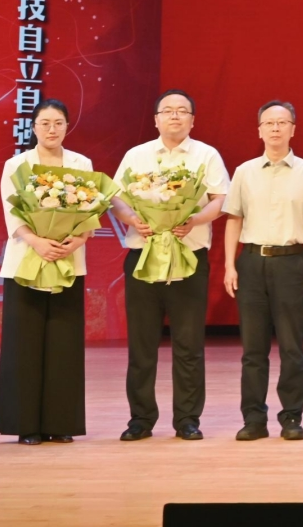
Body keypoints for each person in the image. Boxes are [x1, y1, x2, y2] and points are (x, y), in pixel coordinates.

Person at [112, 89, 230, 441]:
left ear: (192, 120)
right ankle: (140, 419)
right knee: (142, 345)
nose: (175, 116)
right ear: (156, 119)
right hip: (143, 256)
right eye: (167, 110)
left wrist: (194, 219)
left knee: (189, 344)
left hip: (189, 257)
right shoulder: (137, 155)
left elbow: (220, 199)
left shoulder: (206, 155)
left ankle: (187, 420)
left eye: (182, 111)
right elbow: (116, 198)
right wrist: (133, 219)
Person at [220, 100, 303, 442]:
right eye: (269, 123)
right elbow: (234, 219)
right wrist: (229, 264)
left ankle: (291, 416)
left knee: (292, 346)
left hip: (292, 263)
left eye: (282, 123)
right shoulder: (244, 171)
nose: (275, 128)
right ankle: (254, 419)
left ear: (293, 129)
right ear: (259, 130)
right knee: (253, 349)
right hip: (252, 262)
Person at [0, 99, 93, 445]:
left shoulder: (81, 164)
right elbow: (13, 215)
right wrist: (37, 241)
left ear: (67, 126)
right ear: (34, 127)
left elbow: (89, 213)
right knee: (24, 343)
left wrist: (77, 239)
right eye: (45, 123)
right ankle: (26, 425)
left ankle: (61, 421)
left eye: (59, 123)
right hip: (26, 261)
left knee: (64, 343)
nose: (52, 129)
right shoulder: (16, 165)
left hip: (67, 261)